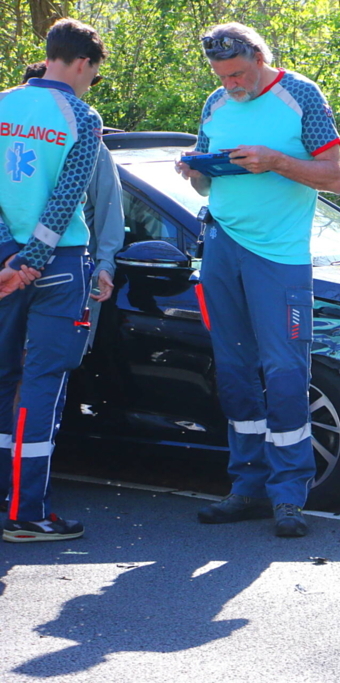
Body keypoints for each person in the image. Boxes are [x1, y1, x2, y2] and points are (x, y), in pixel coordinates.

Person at [176, 23, 340, 537]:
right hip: (223, 245)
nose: (230, 83)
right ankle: (246, 487)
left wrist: (274, 162)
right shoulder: (214, 104)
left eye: (238, 72)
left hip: (279, 255)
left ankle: (289, 496)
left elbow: (335, 177)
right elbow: (208, 177)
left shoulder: (301, 95)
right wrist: (196, 170)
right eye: (221, 75)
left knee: (285, 372)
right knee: (233, 370)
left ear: (258, 55)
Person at [0, 18, 107, 542]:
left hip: (2, 260)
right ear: (83, 63)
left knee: (2, 377)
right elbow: (66, 199)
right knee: (43, 382)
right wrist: (35, 260)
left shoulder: (2, 102)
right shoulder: (82, 117)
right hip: (57, 263)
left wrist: (10, 256)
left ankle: (4, 498)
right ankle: (27, 513)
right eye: (93, 73)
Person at [21, 61, 124, 330]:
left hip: (61, 268)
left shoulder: (90, 142)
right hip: (19, 264)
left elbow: (108, 208)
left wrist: (105, 263)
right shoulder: (12, 136)